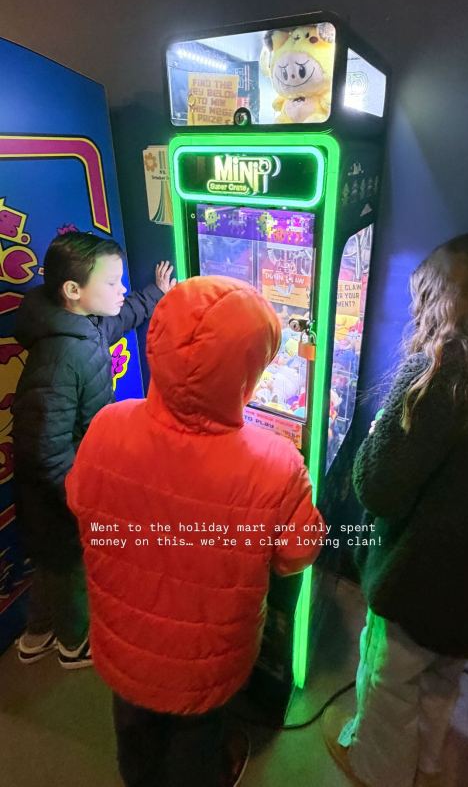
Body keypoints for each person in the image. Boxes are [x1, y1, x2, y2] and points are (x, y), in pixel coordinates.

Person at [322, 233, 468, 787]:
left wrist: (383, 425)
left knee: (389, 685)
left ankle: (376, 771)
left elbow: (376, 488)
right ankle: (426, 769)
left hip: (417, 582)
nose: (418, 313)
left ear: (447, 300)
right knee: (441, 683)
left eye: (425, 298)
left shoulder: (438, 376)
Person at [66, 275, 324, 787]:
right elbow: (298, 553)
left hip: (124, 639)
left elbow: (79, 500)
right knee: (197, 742)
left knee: (135, 735)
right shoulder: (276, 462)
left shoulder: (108, 425)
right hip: (208, 655)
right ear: (250, 370)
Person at [12, 231, 175, 670]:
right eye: (112, 283)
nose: (121, 290)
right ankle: (74, 643)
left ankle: (36, 635)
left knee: (50, 565)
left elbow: (118, 318)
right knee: (73, 569)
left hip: (51, 491)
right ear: (73, 290)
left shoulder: (78, 323)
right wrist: (81, 497)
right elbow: (44, 448)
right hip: (58, 492)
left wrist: (153, 295)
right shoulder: (64, 355)